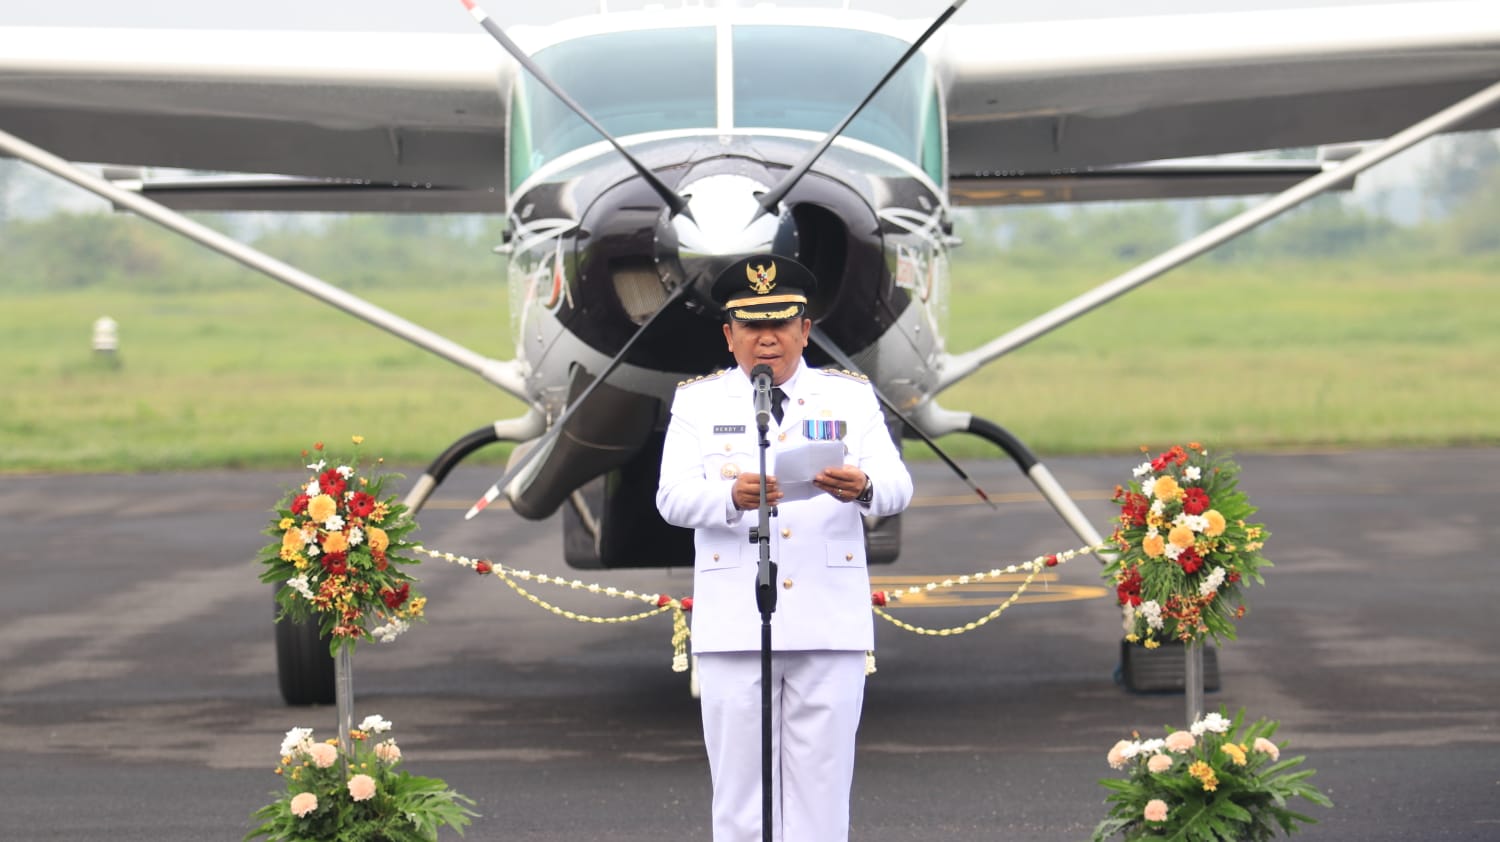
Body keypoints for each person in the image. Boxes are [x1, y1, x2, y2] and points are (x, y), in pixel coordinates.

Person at [656, 254, 913, 842]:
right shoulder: (700, 402)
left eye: (781, 323)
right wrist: (731, 497)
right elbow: (671, 497)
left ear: (806, 328)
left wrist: (865, 486)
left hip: (829, 622)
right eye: (751, 325)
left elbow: (898, 487)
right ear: (729, 335)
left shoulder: (848, 398)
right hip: (736, 624)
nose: (766, 337)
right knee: (741, 801)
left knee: (820, 797)